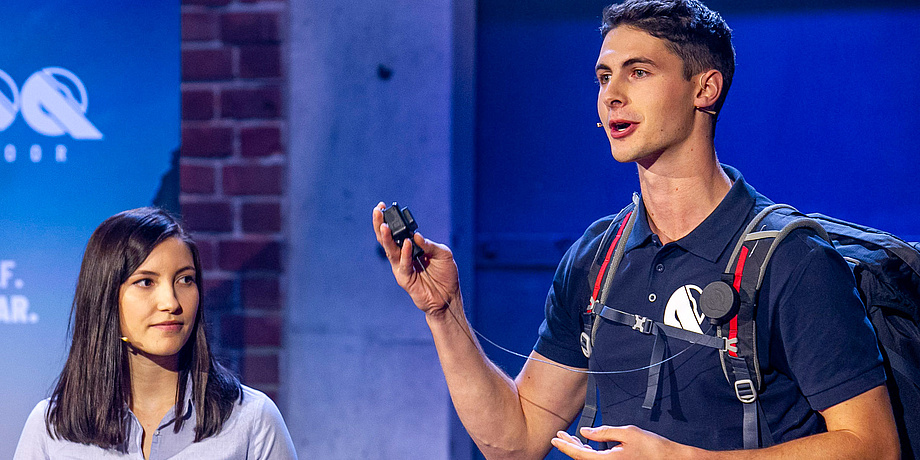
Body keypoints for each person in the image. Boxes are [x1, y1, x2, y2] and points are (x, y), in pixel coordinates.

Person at [373, 0, 900, 458]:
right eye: (604, 77)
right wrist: (444, 314)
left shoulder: (793, 259)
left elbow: (873, 445)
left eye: (639, 72)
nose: (611, 95)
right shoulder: (595, 258)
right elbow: (517, 439)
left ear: (705, 88)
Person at [14, 208, 297, 459]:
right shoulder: (51, 429)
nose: (171, 303)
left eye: (185, 280)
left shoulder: (251, 420)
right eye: (146, 282)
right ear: (105, 296)